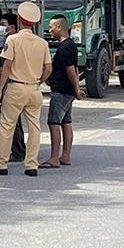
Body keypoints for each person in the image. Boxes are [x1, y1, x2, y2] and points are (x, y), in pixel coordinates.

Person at [0, 2, 51, 177]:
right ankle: (31, 165)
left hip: (16, 88)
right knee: (34, 128)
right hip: (34, 90)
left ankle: (0, 164)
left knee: (7, 127)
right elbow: (48, 68)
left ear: (19, 20)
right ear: (34, 23)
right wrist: (39, 81)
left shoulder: (13, 40)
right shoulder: (42, 43)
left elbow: (7, 66)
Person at [39, 14, 86, 169]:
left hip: (61, 91)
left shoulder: (64, 48)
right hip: (68, 91)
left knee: (54, 123)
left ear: (59, 27)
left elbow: (71, 71)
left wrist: (77, 89)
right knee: (66, 122)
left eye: (51, 27)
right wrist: (75, 90)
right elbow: (76, 67)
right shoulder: (71, 45)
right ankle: (65, 155)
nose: (49, 30)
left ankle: (54, 157)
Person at [0, 13, 26, 163]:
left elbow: (7, 66)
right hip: (28, 85)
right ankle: (20, 149)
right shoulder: (29, 41)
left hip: (14, 84)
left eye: (3, 24)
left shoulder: (12, 41)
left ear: (12, 27)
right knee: (18, 121)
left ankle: (16, 151)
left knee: (11, 121)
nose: (1, 27)